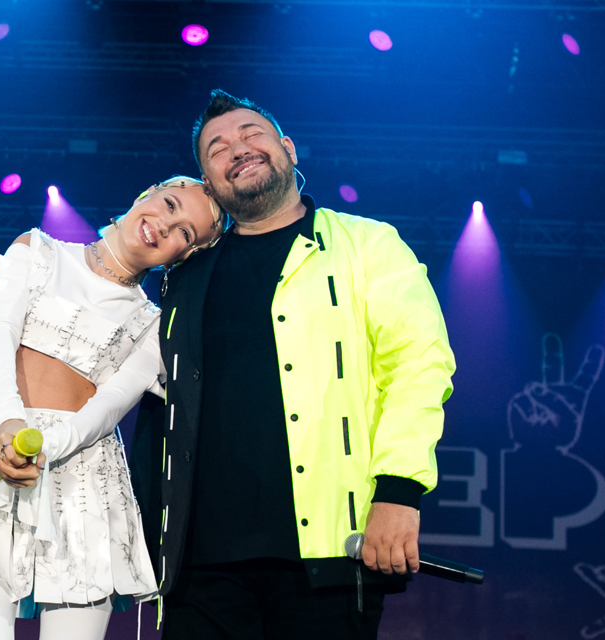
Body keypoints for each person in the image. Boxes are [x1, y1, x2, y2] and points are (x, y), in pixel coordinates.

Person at [130, 91, 456, 639]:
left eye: (251, 134)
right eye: (217, 149)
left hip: (326, 555)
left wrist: (399, 493)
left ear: (288, 148)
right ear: (208, 182)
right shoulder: (184, 275)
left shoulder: (368, 244)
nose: (237, 149)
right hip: (197, 568)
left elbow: (419, 366)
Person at [0, 176, 225, 640]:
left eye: (185, 232)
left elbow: (108, 408)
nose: (165, 225)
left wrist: (45, 447)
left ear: (185, 255)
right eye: (169, 204)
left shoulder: (154, 325)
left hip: (82, 481)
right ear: (145, 194)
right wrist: (8, 423)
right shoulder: (36, 251)